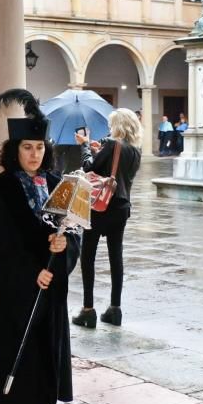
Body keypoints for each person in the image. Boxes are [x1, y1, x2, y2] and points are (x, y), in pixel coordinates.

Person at [0, 90, 77, 404]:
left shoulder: (58, 186)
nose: (34, 155)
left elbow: (75, 231)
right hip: (14, 292)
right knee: (15, 353)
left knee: (41, 355)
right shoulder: (1, 190)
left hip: (49, 289)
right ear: (14, 150)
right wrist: (31, 273)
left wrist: (64, 250)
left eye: (39, 148)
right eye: (27, 148)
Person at [72, 109, 142, 328]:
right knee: (116, 256)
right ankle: (115, 309)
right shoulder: (135, 150)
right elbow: (117, 170)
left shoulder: (112, 144)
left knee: (88, 255)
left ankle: (88, 310)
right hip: (122, 207)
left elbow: (88, 167)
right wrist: (97, 149)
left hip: (100, 205)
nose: (110, 128)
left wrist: (84, 145)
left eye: (112, 124)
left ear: (118, 125)